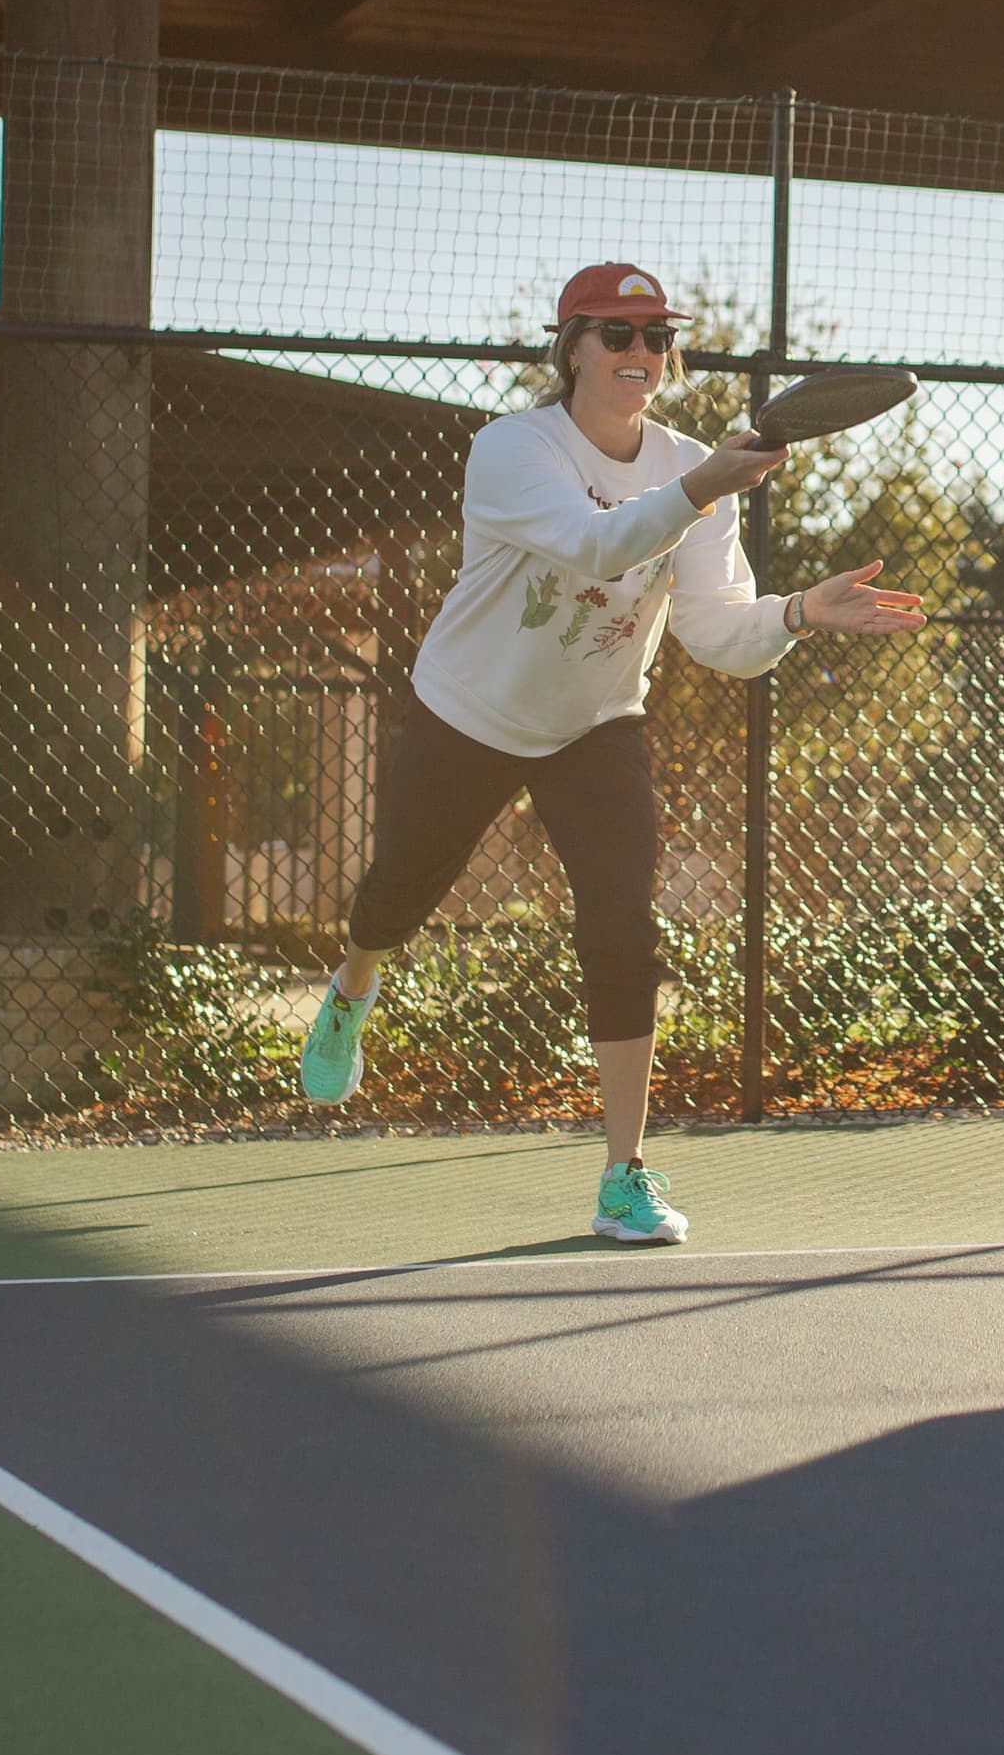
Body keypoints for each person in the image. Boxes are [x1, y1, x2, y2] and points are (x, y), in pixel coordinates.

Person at [297, 262, 928, 1242]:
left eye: (657, 336)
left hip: (596, 721)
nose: (642, 352)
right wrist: (702, 486)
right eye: (617, 334)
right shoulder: (511, 449)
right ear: (573, 348)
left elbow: (717, 633)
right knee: (397, 894)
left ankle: (624, 1171)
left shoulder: (688, 461)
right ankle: (354, 984)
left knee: (625, 925)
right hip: (470, 709)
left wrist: (799, 611)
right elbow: (594, 545)